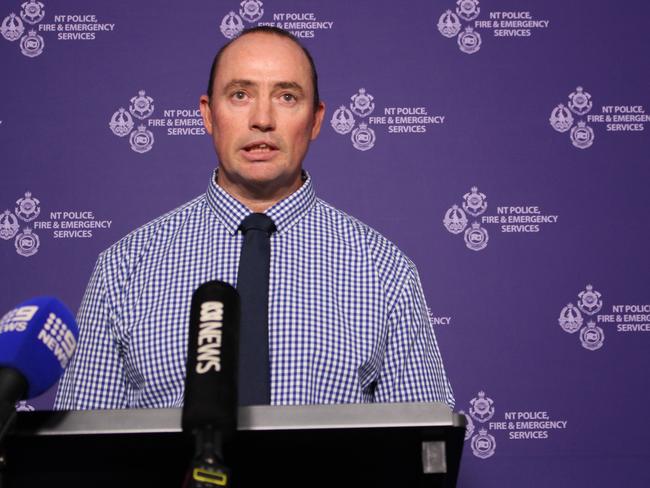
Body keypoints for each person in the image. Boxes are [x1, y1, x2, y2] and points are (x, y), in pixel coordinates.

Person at [54, 27, 454, 410]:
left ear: (315, 120)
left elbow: (422, 449)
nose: (262, 119)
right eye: (241, 94)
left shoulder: (386, 271)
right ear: (209, 115)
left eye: (286, 97)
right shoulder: (123, 268)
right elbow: (79, 452)